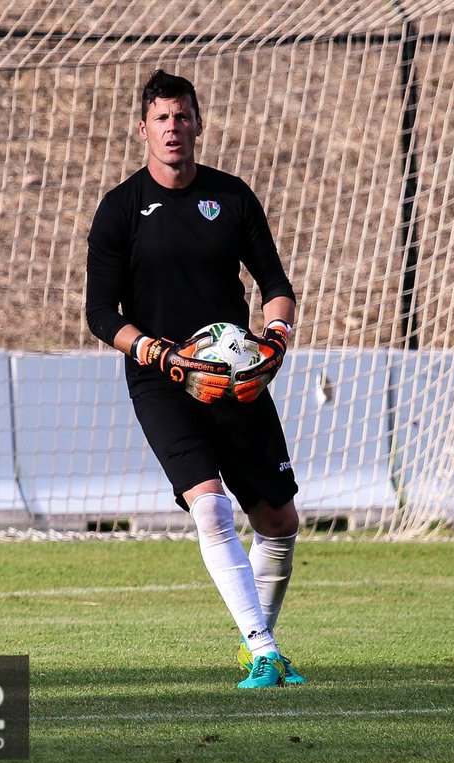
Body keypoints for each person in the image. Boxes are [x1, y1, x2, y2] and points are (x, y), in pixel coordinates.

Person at [86, 69, 306, 689]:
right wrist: (162, 357)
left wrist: (275, 344)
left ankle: (259, 642)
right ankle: (263, 648)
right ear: (144, 129)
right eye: (162, 118)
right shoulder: (120, 210)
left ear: (198, 124)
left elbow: (276, 287)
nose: (173, 128)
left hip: (235, 379)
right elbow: (102, 315)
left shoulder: (232, 197)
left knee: (281, 524)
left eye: (182, 117)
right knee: (210, 507)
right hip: (163, 382)